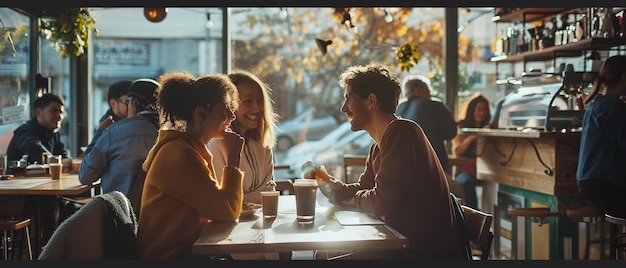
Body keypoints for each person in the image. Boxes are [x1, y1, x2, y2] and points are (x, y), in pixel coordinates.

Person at [309, 62, 468, 259]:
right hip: (400, 245)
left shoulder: (402, 132)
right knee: (321, 253)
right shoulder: (379, 145)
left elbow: (380, 201)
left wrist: (352, 199)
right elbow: (364, 188)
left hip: (421, 253)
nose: (343, 109)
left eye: (349, 99)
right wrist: (337, 187)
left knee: (322, 255)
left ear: (371, 101)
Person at [136, 71, 245, 260]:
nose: (232, 116)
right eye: (226, 107)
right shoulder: (179, 155)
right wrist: (233, 158)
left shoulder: (188, 149)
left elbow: (221, 208)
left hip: (188, 251)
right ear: (201, 113)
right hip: (172, 257)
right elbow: (228, 211)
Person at [5, 93, 74, 245]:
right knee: (51, 204)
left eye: (61, 112)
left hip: (40, 190)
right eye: (53, 111)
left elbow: (62, 153)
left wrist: (65, 159)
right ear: (38, 112)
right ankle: (48, 249)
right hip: (17, 196)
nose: (59, 116)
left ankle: (58, 247)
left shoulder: (53, 134)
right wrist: (56, 160)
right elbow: (33, 147)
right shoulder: (25, 130)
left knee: (71, 207)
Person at [79, 78, 160, 198]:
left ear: (133, 103)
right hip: (156, 214)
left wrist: (99, 132)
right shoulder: (169, 135)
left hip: (118, 212)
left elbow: (85, 176)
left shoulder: (113, 133)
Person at [207, 70, 278, 204]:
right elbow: (223, 201)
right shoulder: (216, 145)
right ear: (229, 105)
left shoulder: (263, 142)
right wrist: (257, 195)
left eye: (260, 100)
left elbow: (270, 191)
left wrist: (244, 197)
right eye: (248, 101)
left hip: (259, 219)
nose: (256, 108)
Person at [577, 55, 626, 218]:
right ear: (623, 77)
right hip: (606, 187)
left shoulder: (597, 104)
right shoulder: (613, 107)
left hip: (592, 185)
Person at [397, 75, 458, 173]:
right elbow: (451, 132)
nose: (430, 95)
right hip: (432, 165)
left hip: (403, 166)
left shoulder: (398, 109)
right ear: (418, 90)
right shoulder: (434, 106)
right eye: (428, 91)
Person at [452, 93, 492, 210]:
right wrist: (474, 136)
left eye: (485, 110)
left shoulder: (490, 127)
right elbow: (458, 151)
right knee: (466, 182)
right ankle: (473, 216)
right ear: (472, 109)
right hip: (464, 171)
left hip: (486, 171)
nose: (482, 113)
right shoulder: (462, 126)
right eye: (479, 109)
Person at [83, 80, 133, 155]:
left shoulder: (135, 121)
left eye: (133, 102)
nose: (132, 106)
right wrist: (100, 131)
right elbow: (89, 157)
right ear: (113, 103)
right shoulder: (105, 127)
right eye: (127, 102)